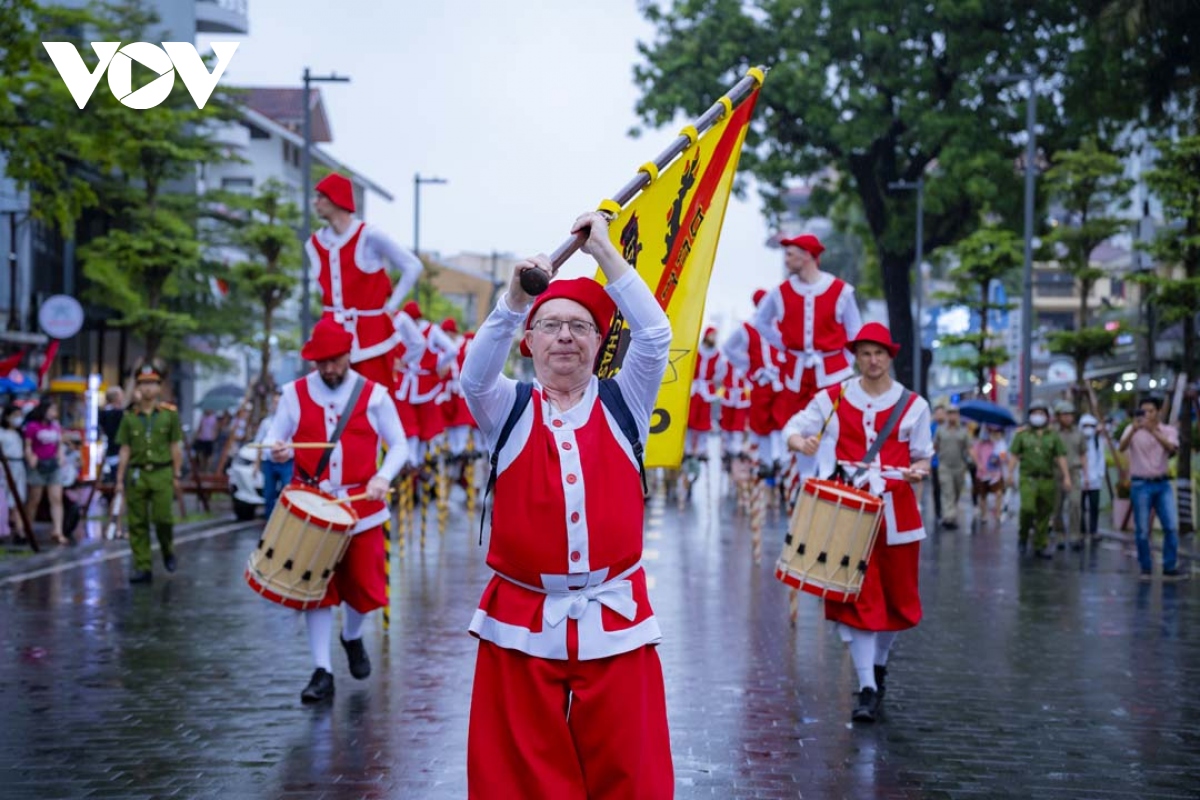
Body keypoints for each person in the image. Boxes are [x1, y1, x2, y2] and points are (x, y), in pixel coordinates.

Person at [459, 211, 673, 797]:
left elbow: (655, 337)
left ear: (600, 344)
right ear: (528, 342)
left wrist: (607, 254)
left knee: (631, 769)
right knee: (520, 774)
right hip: (521, 618)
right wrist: (509, 301)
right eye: (549, 325)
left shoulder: (625, 400)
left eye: (580, 327)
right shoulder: (508, 407)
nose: (564, 338)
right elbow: (473, 378)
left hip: (615, 615)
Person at [785, 322, 932, 724]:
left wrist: (919, 470)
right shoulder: (832, 397)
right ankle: (866, 685)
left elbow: (922, 456)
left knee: (897, 603)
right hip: (847, 516)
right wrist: (803, 443)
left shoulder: (914, 405)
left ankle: (879, 666)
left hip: (898, 515)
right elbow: (793, 429)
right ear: (856, 356)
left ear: (890, 356)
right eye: (865, 353)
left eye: (879, 353)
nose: (872, 360)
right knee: (857, 601)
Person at [266, 316, 409, 703]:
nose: (328, 368)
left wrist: (382, 476)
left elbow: (399, 445)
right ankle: (321, 670)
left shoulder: (375, 394)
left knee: (365, 589)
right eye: (321, 362)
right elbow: (274, 436)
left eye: (334, 360)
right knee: (315, 590)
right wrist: (276, 447)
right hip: (313, 506)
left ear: (348, 355)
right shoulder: (293, 393)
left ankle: (351, 636)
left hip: (362, 506)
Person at [308, 172, 423, 390]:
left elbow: (412, 265)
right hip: (331, 332)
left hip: (371, 336)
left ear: (336, 199)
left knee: (374, 398)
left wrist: (390, 307)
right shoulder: (315, 243)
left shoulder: (368, 235)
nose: (316, 202)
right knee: (328, 397)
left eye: (321, 196)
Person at [752, 233, 863, 454]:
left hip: (833, 374)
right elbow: (761, 321)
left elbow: (855, 332)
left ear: (807, 256)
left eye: (790, 254)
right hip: (796, 376)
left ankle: (828, 481)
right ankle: (802, 481)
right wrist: (786, 345)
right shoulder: (780, 292)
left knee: (834, 427)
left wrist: (844, 362)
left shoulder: (840, 290)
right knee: (797, 429)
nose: (786, 259)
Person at [114, 366, 184, 582]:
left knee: (163, 518)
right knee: (137, 522)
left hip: (162, 472)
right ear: (138, 388)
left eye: (152, 383)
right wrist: (119, 479)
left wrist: (177, 474)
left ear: (159, 387)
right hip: (137, 473)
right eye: (143, 383)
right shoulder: (129, 418)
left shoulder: (169, 415)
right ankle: (143, 566)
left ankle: (167, 549)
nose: (148, 388)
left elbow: (175, 445)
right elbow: (124, 449)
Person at [720, 288, 791, 471]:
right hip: (761, 382)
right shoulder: (748, 328)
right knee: (761, 422)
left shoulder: (782, 324)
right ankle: (766, 460)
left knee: (781, 419)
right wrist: (748, 365)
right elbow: (728, 347)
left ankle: (781, 458)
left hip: (780, 380)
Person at [1118, 395, 1185, 580]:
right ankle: (1146, 567)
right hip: (1140, 484)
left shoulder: (1168, 430)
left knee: (1170, 526)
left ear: (1158, 412)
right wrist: (1134, 429)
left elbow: (1172, 448)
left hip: (1162, 483)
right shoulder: (1132, 429)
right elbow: (1121, 447)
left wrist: (1153, 431)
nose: (1146, 414)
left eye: (1151, 411)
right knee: (1141, 529)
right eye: (1143, 411)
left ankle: (1169, 566)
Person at [1007, 400, 1070, 559]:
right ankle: (1023, 536)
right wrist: (1009, 474)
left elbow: (1061, 456)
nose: (1038, 416)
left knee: (1044, 513)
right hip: (1028, 478)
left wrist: (1067, 477)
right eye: (1035, 413)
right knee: (1028, 509)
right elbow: (1014, 455)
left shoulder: (1053, 436)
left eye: (1041, 413)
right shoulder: (1022, 435)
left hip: (1047, 479)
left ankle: (1040, 544)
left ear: (1047, 416)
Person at [23, 398, 68, 545]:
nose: (54, 413)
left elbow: (59, 444)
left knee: (56, 498)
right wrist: (31, 458)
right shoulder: (32, 426)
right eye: (52, 410)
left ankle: (57, 530)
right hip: (38, 466)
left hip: (53, 465)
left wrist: (61, 457)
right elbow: (28, 445)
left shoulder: (55, 426)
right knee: (34, 499)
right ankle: (27, 528)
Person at [685, 325, 725, 462]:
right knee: (689, 421)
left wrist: (713, 384)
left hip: (706, 391)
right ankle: (688, 449)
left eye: (715, 336)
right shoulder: (697, 351)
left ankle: (702, 449)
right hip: (694, 389)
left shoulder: (717, 356)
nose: (713, 338)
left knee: (703, 422)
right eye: (712, 335)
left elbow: (720, 373)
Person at [1052, 401, 1088, 551]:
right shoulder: (1053, 433)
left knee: (1075, 503)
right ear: (1058, 416)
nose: (1068, 418)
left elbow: (1083, 454)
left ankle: (1075, 535)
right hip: (1056, 472)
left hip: (1074, 472)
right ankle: (1059, 534)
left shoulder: (1078, 433)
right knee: (1057, 507)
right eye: (1064, 415)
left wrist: (1086, 474)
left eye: (1070, 415)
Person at [253, 391, 292, 518]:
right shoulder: (266, 423)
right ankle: (269, 521)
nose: (277, 405)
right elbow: (260, 443)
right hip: (269, 462)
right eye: (275, 402)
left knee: (287, 492)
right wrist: (256, 464)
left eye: (279, 402)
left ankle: (285, 521)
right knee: (268, 493)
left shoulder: (291, 420)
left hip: (287, 463)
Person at [932, 405, 972, 530]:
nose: (952, 416)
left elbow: (969, 448)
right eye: (949, 413)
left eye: (954, 413)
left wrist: (978, 464)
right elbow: (934, 447)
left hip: (959, 467)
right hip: (944, 467)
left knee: (956, 492)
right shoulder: (940, 430)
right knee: (947, 491)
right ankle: (948, 518)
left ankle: (951, 513)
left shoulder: (963, 431)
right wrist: (928, 463)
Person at [971, 426, 1008, 527]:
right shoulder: (980, 444)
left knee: (999, 493)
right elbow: (973, 453)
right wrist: (978, 464)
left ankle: (998, 514)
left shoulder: (999, 444)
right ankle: (984, 515)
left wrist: (1000, 458)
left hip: (996, 474)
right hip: (982, 474)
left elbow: (1004, 458)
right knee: (983, 495)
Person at [0, 404, 27, 540]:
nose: (18, 419)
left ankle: (19, 530)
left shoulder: (20, 433)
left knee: (18, 499)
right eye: (15, 416)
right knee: (3, 499)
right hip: (4, 467)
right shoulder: (2, 433)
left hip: (19, 466)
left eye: (20, 415)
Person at [1079, 413, 1106, 541]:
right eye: (1085, 426)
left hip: (1095, 480)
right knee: (1080, 507)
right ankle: (1081, 530)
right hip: (1079, 480)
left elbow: (1101, 458)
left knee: (1094, 506)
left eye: (1091, 426)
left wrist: (1100, 475)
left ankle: (1093, 530)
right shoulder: (1078, 440)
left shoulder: (1098, 440)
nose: (1088, 428)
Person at [98, 386, 125, 481]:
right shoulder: (118, 414)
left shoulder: (102, 413)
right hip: (118, 453)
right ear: (117, 397)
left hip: (109, 452)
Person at [192, 407, 219, 472]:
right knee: (200, 454)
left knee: (208, 455)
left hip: (209, 439)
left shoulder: (214, 418)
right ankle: (202, 467)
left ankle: (207, 469)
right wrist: (196, 436)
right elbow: (199, 428)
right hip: (202, 438)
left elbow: (215, 429)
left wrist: (214, 437)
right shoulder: (203, 418)